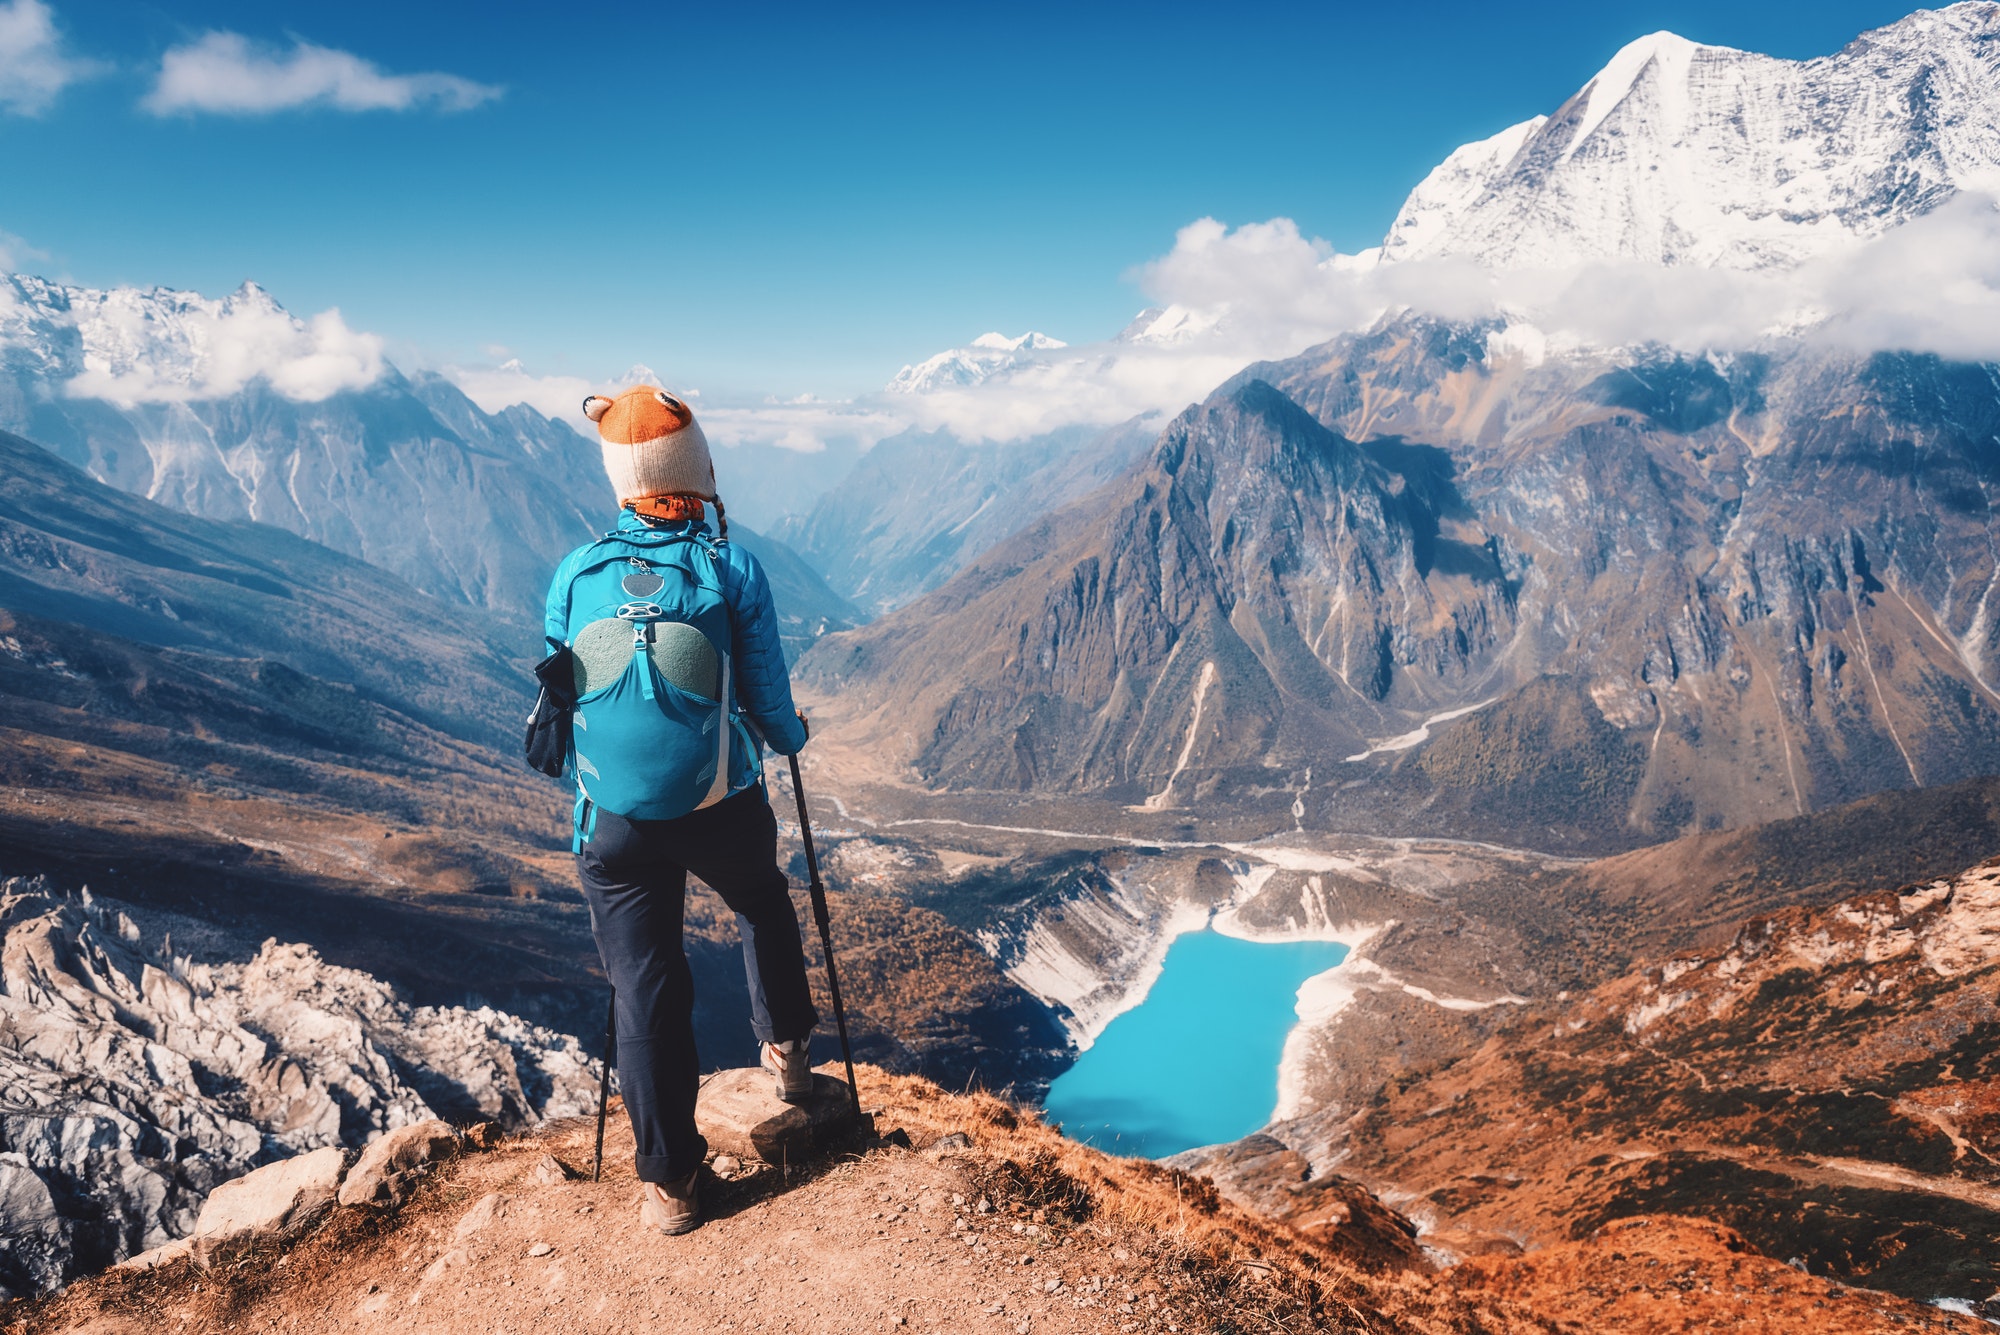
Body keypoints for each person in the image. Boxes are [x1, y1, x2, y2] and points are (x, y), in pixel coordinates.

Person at [543, 384, 816, 1237]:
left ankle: (670, 1183)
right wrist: (792, 734)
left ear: (620, 477)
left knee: (644, 986)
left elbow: (562, 686)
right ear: (694, 471)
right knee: (762, 900)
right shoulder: (729, 568)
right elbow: (767, 704)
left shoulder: (575, 572)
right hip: (718, 803)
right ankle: (788, 1053)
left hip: (613, 823)